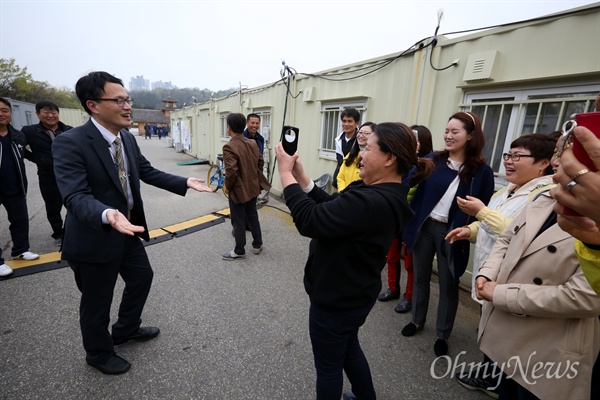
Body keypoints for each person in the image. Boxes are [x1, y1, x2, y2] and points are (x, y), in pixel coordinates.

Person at [52, 72, 212, 375]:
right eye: (119, 100)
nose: (127, 106)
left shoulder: (125, 137)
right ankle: (98, 353)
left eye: (128, 99)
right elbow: (75, 196)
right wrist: (107, 214)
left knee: (142, 278)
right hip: (94, 237)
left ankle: (126, 328)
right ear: (93, 105)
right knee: (96, 304)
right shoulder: (70, 143)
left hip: (128, 233)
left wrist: (184, 182)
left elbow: (146, 171)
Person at [276, 122, 434, 400]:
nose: (360, 154)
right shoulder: (383, 193)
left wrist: (285, 174)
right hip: (353, 294)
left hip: (336, 299)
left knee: (328, 368)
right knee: (348, 349)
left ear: (389, 158)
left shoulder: (372, 201)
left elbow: (310, 219)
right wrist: (301, 176)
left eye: (367, 148)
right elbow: (330, 207)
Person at [444, 133, 556, 397]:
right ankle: (490, 376)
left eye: (518, 156)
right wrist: (469, 230)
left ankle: (495, 381)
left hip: (511, 279)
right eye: (508, 155)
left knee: (504, 336)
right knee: (491, 330)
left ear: (543, 164)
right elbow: (491, 225)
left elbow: (520, 235)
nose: (509, 161)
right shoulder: (507, 190)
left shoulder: (543, 195)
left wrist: (481, 212)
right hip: (490, 273)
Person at [475, 189, 600, 400]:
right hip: (507, 333)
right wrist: (487, 272)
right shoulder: (544, 197)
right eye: (558, 155)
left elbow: (585, 297)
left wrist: (501, 294)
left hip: (551, 347)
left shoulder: (593, 216)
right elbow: (507, 238)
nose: (557, 162)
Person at [401, 111, 495, 357]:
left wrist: (468, 230)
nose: (448, 136)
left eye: (455, 132)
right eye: (446, 131)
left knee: (448, 284)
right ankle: (417, 320)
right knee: (420, 276)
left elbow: (482, 208)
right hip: (424, 227)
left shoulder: (481, 171)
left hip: (452, 232)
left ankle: (442, 334)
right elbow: (407, 182)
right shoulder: (434, 160)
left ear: (471, 136)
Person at [378, 125, 433, 315]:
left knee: (410, 263)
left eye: (416, 140)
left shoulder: (426, 166)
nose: (413, 144)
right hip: (396, 217)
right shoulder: (399, 161)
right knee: (392, 256)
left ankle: (409, 297)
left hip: (413, 220)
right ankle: (393, 288)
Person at [21, 101, 73, 246]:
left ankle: (73, 230)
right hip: (47, 175)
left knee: (74, 203)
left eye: (54, 112)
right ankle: (58, 233)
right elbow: (19, 146)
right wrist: (38, 159)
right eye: (46, 112)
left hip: (69, 174)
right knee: (53, 206)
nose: (50, 115)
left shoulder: (69, 130)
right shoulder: (29, 131)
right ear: (38, 114)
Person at [221, 113, 270, 260]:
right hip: (253, 187)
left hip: (238, 190)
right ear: (244, 125)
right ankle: (257, 244)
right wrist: (253, 177)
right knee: (252, 216)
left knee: (238, 219)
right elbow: (260, 163)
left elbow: (231, 172)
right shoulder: (252, 143)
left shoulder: (229, 146)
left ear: (228, 127)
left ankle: (239, 250)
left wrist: (227, 187)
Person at [0, 97, 40, 277]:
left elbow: (30, 155)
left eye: (5, 110)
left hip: (15, 187)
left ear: (10, 114)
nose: (1, 114)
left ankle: (20, 250)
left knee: (20, 220)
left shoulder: (17, 136)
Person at [336, 122, 376, 191]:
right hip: (344, 195)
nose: (361, 135)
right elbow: (341, 176)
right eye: (360, 132)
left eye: (366, 133)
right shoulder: (350, 155)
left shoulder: (374, 158)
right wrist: (342, 191)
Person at [332, 108, 360, 191]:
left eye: (349, 121)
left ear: (356, 123)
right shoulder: (338, 139)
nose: (346, 124)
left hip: (354, 183)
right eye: (344, 121)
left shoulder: (361, 140)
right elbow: (340, 162)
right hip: (338, 180)